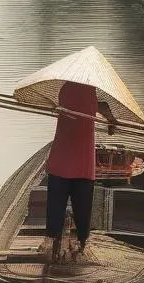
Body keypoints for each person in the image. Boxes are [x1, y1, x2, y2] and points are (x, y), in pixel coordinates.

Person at [45, 81, 118, 261]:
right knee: (82, 209)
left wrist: (109, 119)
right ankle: (82, 243)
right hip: (81, 164)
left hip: (61, 162)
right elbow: (103, 107)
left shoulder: (65, 89)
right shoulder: (89, 93)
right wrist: (111, 121)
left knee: (56, 208)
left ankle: (53, 244)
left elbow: (98, 106)